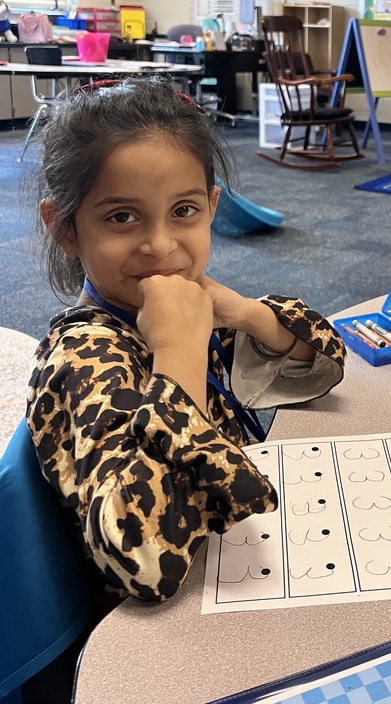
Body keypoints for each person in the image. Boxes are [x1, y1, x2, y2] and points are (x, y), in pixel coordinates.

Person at [26, 76, 346, 611]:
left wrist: (244, 314)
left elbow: (326, 363)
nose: (161, 245)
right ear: (65, 229)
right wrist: (179, 357)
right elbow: (141, 559)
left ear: (212, 206)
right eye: (121, 217)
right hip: (160, 626)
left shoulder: (186, 305)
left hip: (236, 563)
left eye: (183, 211)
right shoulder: (85, 357)